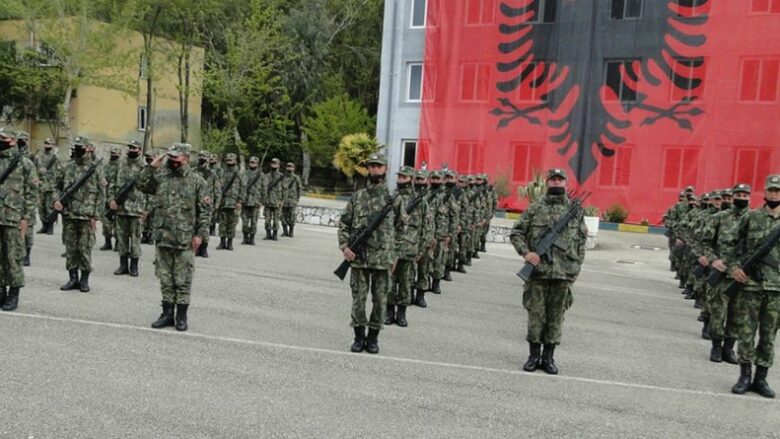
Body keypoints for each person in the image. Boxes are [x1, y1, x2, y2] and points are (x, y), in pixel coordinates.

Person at [510, 168, 587, 375]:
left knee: (556, 316)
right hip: (538, 273)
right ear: (547, 183)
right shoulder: (535, 208)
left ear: (565, 183)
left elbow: (581, 242)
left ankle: (549, 358)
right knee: (536, 316)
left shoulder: (575, 211)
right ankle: (533, 356)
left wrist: (576, 269)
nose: (556, 183)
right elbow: (516, 233)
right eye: (553, 179)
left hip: (563, 274)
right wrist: (526, 254)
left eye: (560, 180)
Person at [136, 143, 210, 331]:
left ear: (186, 158)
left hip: (185, 239)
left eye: (176, 158)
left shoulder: (197, 182)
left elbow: (205, 212)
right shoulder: (162, 177)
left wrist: (200, 235)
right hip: (163, 236)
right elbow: (141, 184)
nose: (172, 161)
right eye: (170, 157)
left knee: (183, 280)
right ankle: (167, 313)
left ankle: (182, 316)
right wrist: (153, 166)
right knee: (165, 278)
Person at [338, 153, 405, 354]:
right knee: (358, 300)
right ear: (368, 169)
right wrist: (344, 246)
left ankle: (373, 338)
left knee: (380, 300)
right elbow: (344, 223)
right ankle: (358, 337)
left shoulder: (394, 199)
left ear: (385, 169)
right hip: (358, 259)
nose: (375, 169)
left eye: (379, 166)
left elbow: (402, 229)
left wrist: (396, 255)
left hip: (383, 260)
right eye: (372, 166)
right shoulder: (358, 197)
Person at [725, 175, 780, 398]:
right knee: (746, 333)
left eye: (778, 191)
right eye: (772, 190)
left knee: (768, 336)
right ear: (765, 193)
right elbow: (730, 244)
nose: (775, 194)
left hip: (776, 289)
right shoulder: (751, 218)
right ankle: (744, 376)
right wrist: (734, 267)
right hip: (750, 287)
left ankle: (761, 379)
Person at [700, 184, 750, 364]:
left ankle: (729, 348)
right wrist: (714, 260)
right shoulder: (719, 218)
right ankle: (716, 346)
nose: (742, 198)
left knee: (737, 315)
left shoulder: (754, 219)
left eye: (745, 195)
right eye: (739, 194)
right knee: (718, 312)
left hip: (741, 276)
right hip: (721, 274)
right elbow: (706, 242)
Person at [55, 136, 104, 293]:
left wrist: (96, 216)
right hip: (69, 214)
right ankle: (72, 278)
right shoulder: (68, 167)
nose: (77, 150)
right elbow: (58, 185)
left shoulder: (95, 169)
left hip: (86, 216)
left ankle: (84, 279)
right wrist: (57, 201)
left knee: (84, 249)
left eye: (80, 147)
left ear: (88, 149)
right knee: (70, 249)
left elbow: (102, 194)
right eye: (76, 147)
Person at [0, 128, 38, 311]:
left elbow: (32, 194)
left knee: (13, 257)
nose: (1, 141)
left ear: (14, 141)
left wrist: (26, 218)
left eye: (3, 138)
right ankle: (1, 291)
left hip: (13, 218)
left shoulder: (25, 164)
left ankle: (14, 293)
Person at [108, 140, 145, 277]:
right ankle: (123, 265)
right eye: (130, 147)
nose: (131, 150)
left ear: (139, 150)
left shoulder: (143, 166)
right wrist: (111, 199)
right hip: (121, 208)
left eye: (134, 148)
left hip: (136, 209)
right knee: (121, 238)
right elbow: (112, 183)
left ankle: (134, 266)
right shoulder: (121, 163)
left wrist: (146, 209)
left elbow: (149, 190)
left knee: (135, 239)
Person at [386, 166, 418, 327]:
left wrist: (423, 246)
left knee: (406, 282)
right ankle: (389, 311)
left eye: (404, 177)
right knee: (390, 280)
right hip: (391, 246)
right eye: (399, 177)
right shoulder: (392, 197)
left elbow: (426, 225)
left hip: (409, 247)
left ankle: (402, 313)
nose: (400, 180)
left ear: (410, 179)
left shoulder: (418, 199)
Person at [195, 151, 221, 257]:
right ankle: (196, 247)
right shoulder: (193, 171)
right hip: (195, 203)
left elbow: (217, 190)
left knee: (204, 226)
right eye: (200, 156)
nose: (202, 158)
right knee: (195, 226)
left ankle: (204, 247)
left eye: (204, 157)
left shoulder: (212, 174)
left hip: (207, 205)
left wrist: (217, 204)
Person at [34, 138, 62, 235]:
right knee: (41, 207)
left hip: (51, 186)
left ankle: (50, 227)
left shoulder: (55, 158)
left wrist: (56, 184)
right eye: (46, 143)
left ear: (53, 146)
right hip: (41, 185)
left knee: (49, 207)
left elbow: (60, 172)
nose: (47, 145)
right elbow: (33, 169)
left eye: (49, 144)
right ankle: (44, 226)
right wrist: (38, 173)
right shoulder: (39, 156)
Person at [217, 153, 242, 250]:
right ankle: (222, 242)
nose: (229, 162)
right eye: (227, 160)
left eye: (231, 160)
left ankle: (230, 242)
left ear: (235, 161)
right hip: (223, 202)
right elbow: (218, 187)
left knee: (232, 223)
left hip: (234, 202)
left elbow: (242, 188)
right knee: (222, 223)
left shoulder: (239, 173)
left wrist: (239, 201)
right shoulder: (222, 172)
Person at [100, 146, 122, 251]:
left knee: (118, 223)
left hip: (117, 197)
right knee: (105, 221)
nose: (113, 155)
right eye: (112, 153)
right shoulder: (106, 165)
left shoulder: (121, 166)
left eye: (115, 153)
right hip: (105, 195)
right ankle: (107, 241)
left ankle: (118, 242)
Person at [241, 156, 263, 245]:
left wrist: (262, 201)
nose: (252, 164)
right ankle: (245, 237)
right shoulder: (244, 174)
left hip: (255, 202)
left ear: (257, 164)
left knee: (254, 222)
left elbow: (264, 189)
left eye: (254, 162)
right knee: (245, 222)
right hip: (245, 201)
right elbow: (240, 187)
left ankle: (252, 238)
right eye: (250, 162)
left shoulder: (261, 175)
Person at [262, 158, 285, 241]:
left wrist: (282, 200)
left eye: (275, 163)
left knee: (276, 220)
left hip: (277, 201)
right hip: (268, 201)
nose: (273, 165)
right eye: (272, 163)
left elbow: (284, 190)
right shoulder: (266, 176)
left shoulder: (281, 176)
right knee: (267, 219)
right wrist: (263, 199)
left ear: (278, 165)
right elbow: (263, 188)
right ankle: (268, 234)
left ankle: (274, 235)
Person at [281, 162, 303, 237]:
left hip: (292, 200)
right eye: (288, 167)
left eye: (291, 167)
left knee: (292, 216)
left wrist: (297, 199)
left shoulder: (296, 178)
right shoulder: (282, 177)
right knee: (282, 216)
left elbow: (299, 188)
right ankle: (285, 231)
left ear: (294, 168)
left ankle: (291, 231)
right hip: (283, 200)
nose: (289, 168)